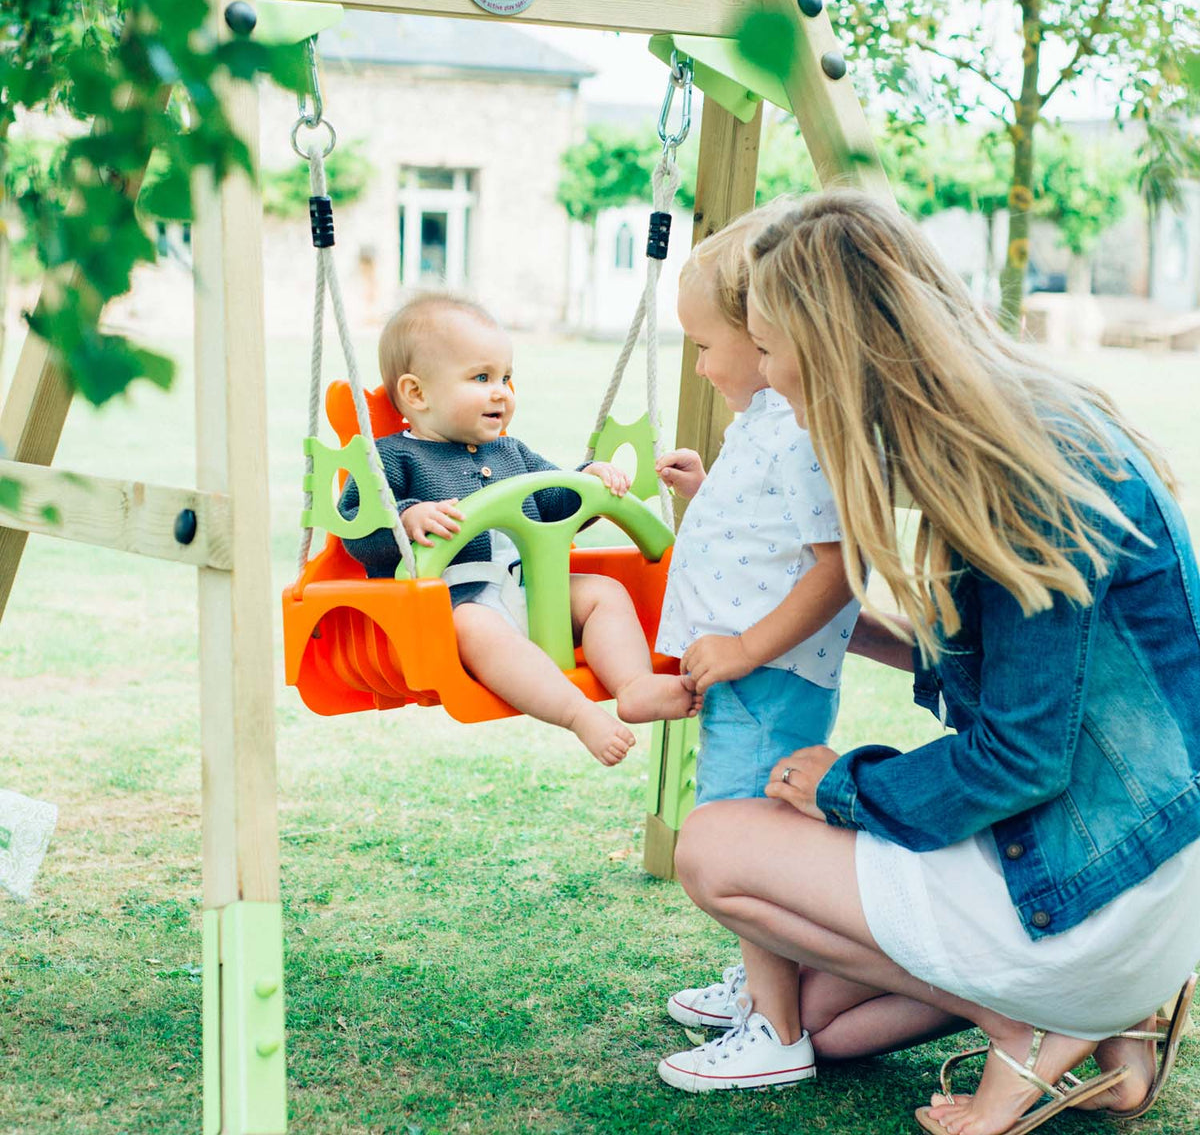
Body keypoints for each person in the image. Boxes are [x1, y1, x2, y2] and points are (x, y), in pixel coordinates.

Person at [656, 190, 1200, 1135]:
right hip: (1123, 869)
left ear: (837, 347)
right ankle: (1099, 1022)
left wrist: (843, 789)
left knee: (713, 845)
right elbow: (1037, 685)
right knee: (823, 1023)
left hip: (1092, 884)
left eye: (774, 344)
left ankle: (1030, 1026)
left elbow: (1023, 757)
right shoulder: (1018, 425)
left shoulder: (1027, 475)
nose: (768, 373)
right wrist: (852, 631)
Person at [652, 209, 858, 1068]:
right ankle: (757, 982)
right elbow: (764, 540)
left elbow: (835, 567)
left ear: (762, 332)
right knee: (739, 824)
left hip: (768, 676)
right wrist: (705, 493)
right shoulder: (765, 424)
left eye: (705, 345)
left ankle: (775, 1031)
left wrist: (742, 649)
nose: (701, 364)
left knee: (741, 838)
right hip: (751, 674)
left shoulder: (800, 433)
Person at [339, 293, 700, 766]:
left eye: (506, 377)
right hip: (451, 605)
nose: (501, 392)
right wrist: (406, 517)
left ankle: (632, 686)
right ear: (416, 393)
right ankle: (578, 715)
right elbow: (356, 530)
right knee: (473, 625)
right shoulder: (391, 457)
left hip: (526, 587)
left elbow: (557, 503)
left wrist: (587, 481)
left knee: (602, 592)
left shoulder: (512, 454)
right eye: (481, 378)